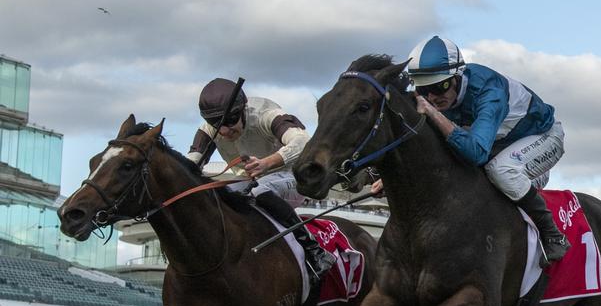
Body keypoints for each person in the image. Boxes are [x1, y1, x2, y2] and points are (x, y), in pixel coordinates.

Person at [378, 36, 570, 266]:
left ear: (458, 77)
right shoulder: (435, 97)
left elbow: (476, 153)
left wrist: (433, 114)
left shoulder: (489, 92)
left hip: (544, 137)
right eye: (424, 89)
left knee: (501, 170)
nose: (431, 97)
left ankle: (551, 232)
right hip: (500, 144)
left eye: (440, 86)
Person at [187, 78, 336, 284]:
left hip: (293, 177)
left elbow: (303, 141)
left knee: (259, 190)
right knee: (218, 195)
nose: (224, 131)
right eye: (217, 125)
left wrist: (267, 162)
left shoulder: (265, 115)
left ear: (242, 110)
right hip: (253, 180)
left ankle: (315, 251)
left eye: (230, 121)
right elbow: (191, 163)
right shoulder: (212, 128)